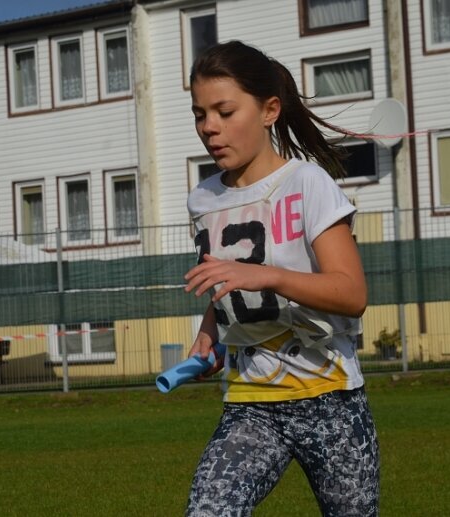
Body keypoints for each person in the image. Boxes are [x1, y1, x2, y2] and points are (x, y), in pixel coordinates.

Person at [183, 40, 379, 517]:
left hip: (330, 400)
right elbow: (226, 281)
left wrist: (266, 275)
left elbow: (351, 294)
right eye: (199, 114)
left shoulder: (308, 183)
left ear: (270, 109)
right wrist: (208, 336)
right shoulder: (202, 199)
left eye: (225, 111)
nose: (210, 127)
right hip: (251, 402)